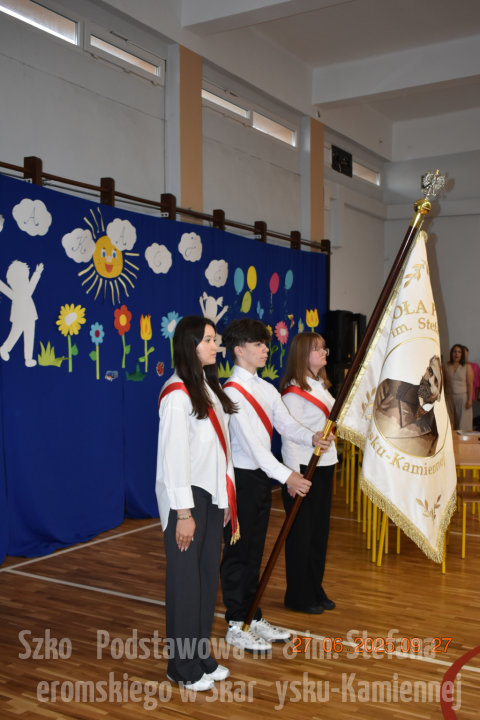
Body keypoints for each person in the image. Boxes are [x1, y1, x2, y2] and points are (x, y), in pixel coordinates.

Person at [220, 319, 334, 652]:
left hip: (260, 479)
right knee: (238, 552)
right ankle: (235, 621)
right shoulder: (231, 391)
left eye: (265, 344)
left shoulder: (266, 388)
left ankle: (252, 615)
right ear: (239, 350)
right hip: (241, 480)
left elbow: (287, 425)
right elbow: (254, 447)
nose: (265, 349)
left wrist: (312, 437)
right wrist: (288, 476)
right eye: (257, 344)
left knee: (255, 550)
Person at [156, 316, 238, 691]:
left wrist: (224, 497)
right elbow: (174, 458)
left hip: (209, 496)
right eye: (207, 340)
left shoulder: (206, 386)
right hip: (187, 500)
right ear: (189, 345)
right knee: (186, 585)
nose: (214, 345)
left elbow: (221, 451)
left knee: (205, 580)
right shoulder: (177, 394)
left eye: (214, 339)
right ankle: (181, 666)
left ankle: (200, 656)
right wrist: (184, 513)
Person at [280, 332, 338, 614]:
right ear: (303, 354)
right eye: (318, 349)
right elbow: (288, 435)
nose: (324, 352)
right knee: (301, 536)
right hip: (304, 468)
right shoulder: (294, 390)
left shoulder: (321, 386)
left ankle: (315, 587)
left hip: (325, 465)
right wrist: (293, 477)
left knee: (318, 534)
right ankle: (298, 595)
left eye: (324, 348)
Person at [374, 356, 443, 457]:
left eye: (436, 381)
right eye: (430, 371)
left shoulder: (435, 431)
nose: (430, 379)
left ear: (440, 395)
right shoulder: (391, 386)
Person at [443, 344, 473, 431]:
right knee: (449, 421)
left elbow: (470, 384)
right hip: (448, 397)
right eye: (455, 351)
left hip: (462, 397)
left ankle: (463, 439)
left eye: (459, 352)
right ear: (451, 353)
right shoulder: (445, 366)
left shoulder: (467, 367)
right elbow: (442, 383)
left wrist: (470, 399)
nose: (456, 354)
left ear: (462, 354)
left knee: (463, 422)